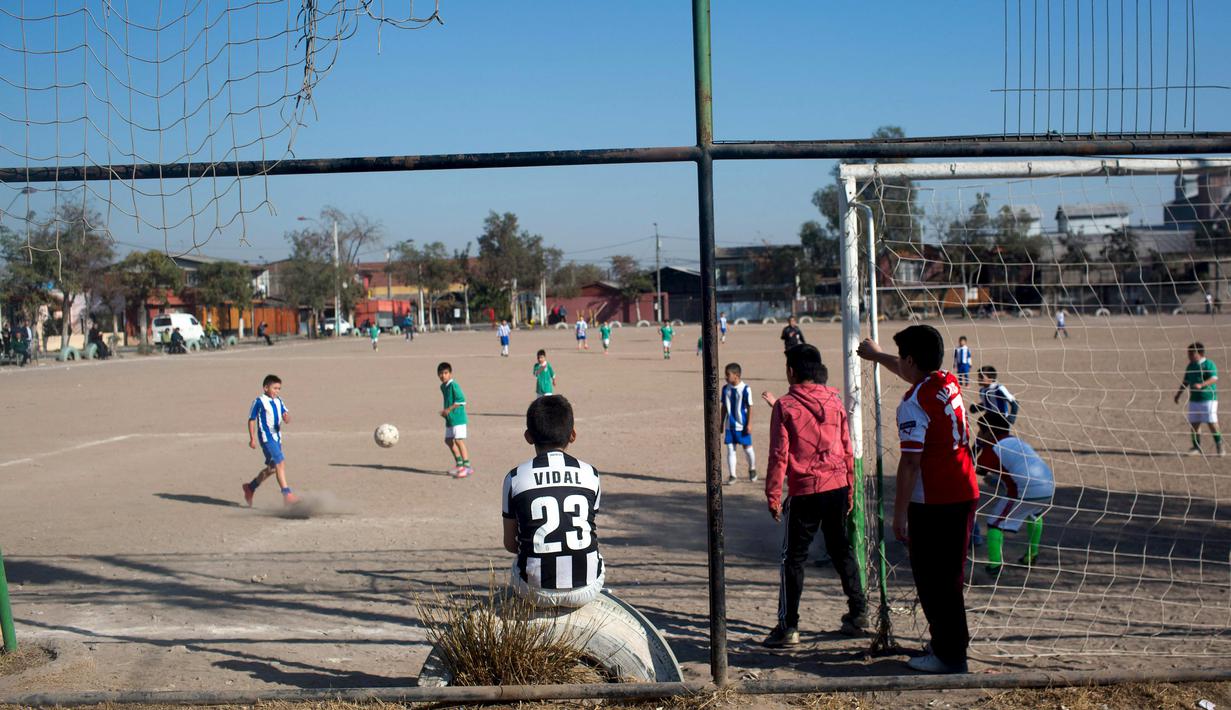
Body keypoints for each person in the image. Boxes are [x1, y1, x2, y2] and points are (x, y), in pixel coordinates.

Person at [857, 325, 979, 674]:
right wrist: (878, 355)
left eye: (901, 357)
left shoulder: (912, 404)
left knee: (934, 580)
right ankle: (950, 644)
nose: (899, 362)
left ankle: (948, 655)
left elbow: (910, 463)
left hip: (936, 501)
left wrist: (899, 516)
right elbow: (908, 370)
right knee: (949, 577)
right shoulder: (946, 380)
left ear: (911, 360)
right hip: (964, 491)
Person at [761, 344, 865, 646]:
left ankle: (788, 626)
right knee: (841, 549)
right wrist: (850, 488)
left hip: (806, 491)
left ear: (791, 371)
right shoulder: (834, 400)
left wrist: (773, 494)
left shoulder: (786, 405)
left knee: (792, 558)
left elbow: (779, 454)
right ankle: (859, 612)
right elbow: (847, 446)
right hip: (837, 486)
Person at [502, 395, 604, 608]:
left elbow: (511, 545)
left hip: (535, 591)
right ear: (573, 435)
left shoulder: (514, 477)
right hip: (586, 588)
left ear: (528, 436)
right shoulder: (590, 474)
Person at [975, 412, 1054, 576]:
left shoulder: (993, 449)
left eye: (980, 431)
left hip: (1025, 490)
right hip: (1048, 484)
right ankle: (1031, 555)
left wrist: (977, 448)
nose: (978, 434)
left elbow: (980, 471)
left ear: (989, 432)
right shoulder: (1017, 441)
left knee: (995, 523)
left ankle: (995, 565)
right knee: (1034, 514)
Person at [242, 374, 298, 506]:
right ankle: (287, 494)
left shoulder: (279, 401)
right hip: (266, 438)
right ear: (266, 387)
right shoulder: (259, 401)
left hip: (277, 438)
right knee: (280, 462)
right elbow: (251, 420)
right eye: (275, 388)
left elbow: (287, 417)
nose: (277, 391)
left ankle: (250, 487)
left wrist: (286, 418)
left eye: (279, 388)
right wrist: (252, 438)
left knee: (273, 468)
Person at [1174, 341, 1221, 456]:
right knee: (1194, 424)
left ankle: (1219, 446)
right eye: (1188, 353)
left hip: (1208, 399)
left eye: (1191, 354)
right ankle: (1196, 447)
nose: (1189, 356)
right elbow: (1185, 382)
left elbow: (1214, 378)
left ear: (1199, 353)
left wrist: (1202, 385)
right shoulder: (1190, 366)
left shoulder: (1209, 364)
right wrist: (1178, 394)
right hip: (1194, 400)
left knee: (1211, 423)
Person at [721, 363, 757, 484]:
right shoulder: (725, 389)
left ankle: (752, 469)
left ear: (736, 375)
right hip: (729, 426)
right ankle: (732, 475)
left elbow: (750, 407)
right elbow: (724, 407)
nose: (726, 377)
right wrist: (721, 423)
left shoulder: (746, 389)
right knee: (730, 450)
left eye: (728, 375)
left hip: (742, 425)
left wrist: (749, 424)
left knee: (747, 449)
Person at [437, 362, 472, 478]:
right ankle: (459, 465)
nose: (443, 375)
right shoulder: (443, 387)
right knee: (448, 440)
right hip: (450, 419)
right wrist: (445, 412)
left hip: (458, 418)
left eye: (446, 373)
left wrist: (448, 409)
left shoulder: (453, 385)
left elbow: (461, 400)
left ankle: (467, 467)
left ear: (450, 374)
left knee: (458, 441)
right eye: (441, 373)